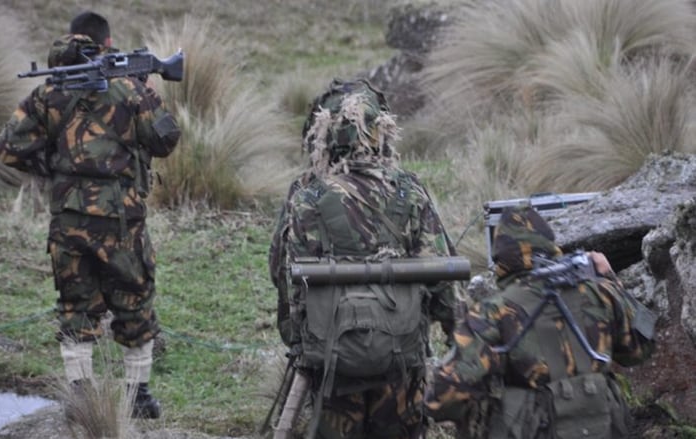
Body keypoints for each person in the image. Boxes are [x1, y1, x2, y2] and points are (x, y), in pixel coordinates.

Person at [0, 11, 180, 419]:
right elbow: (167, 140)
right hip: (121, 222)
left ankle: (81, 396)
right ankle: (138, 396)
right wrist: (146, 91)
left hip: (68, 219)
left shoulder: (49, 91)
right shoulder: (131, 90)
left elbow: (8, 147)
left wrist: (53, 171)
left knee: (76, 307)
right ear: (107, 44)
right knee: (134, 302)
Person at [268, 78, 459, 439]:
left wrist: (298, 343)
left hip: (332, 361)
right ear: (380, 131)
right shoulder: (409, 191)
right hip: (401, 357)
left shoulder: (306, 196)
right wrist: (452, 334)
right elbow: (440, 275)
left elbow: (284, 273)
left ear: (323, 133)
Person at [424, 205, 656, 438]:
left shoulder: (493, 312)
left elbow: (441, 397)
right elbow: (640, 350)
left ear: (501, 260)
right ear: (551, 245)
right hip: (605, 428)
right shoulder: (601, 293)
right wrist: (611, 279)